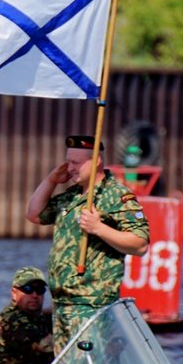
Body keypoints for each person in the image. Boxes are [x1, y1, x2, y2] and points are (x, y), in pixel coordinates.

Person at [25, 134, 150, 349]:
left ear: (96, 162)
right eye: (68, 161)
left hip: (91, 303)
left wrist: (99, 228)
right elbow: (34, 214)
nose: (69, 167)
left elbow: (140, 244)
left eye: (75, 162)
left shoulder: (115, 196)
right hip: (63, 302)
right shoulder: (71, 196)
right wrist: (51, 181)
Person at [0, 267, 54, 364]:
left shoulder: (36, 317)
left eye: (40, 290)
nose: (34, 295)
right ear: (14, 293)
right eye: (28, 289)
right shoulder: (11, 321)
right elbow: (46, 347)